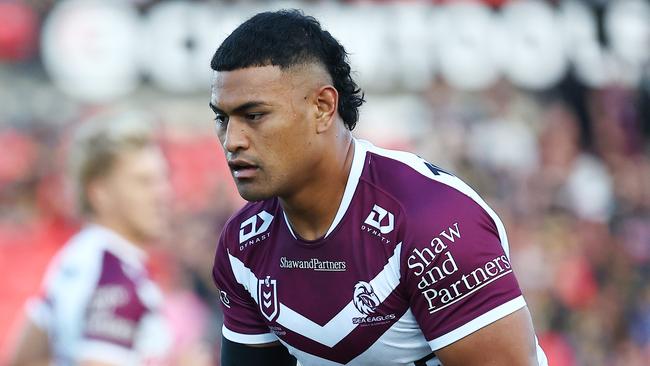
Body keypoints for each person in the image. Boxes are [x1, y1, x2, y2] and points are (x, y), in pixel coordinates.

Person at [210, 9, 548, 366]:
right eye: (222, 118)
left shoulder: (435, 222)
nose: (232, 141)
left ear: (323, 107)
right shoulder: (243, 245)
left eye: (254, 115)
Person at [8, 110, 174, 365]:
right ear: (100, 192)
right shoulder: (115, 275)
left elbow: (21, 360)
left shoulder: (79, 257)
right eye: (144, 182)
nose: (162, 194)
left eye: (163, 179)